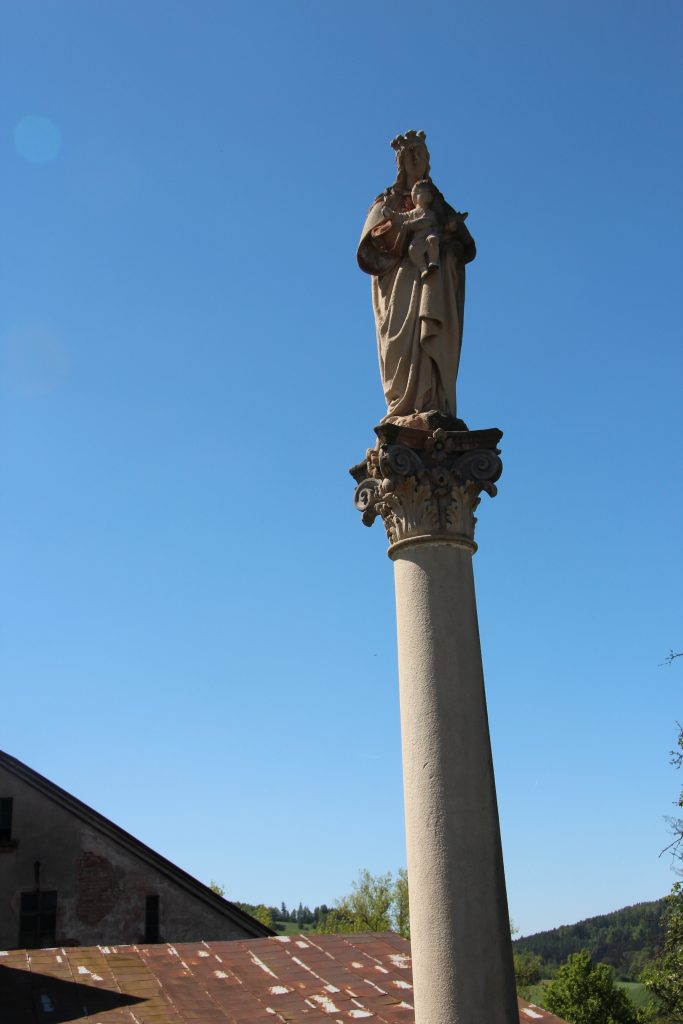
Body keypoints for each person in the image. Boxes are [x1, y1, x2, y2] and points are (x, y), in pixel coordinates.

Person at [357, 130, 476, 425]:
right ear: (400, 161)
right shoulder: (387, 202)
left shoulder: (436, 202)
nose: (416, 159)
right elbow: (371, 248)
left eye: (420, 154)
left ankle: (435, 398)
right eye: (409, 154)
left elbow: (465, 244)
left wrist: (447, 235)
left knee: (442, 265)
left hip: (434, 285)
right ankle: (405, 406)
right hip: (403, 287)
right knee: (404, 348)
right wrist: (403, 231)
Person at [382, 180, 442, 280]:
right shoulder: (413, 213)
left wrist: (411, 224)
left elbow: (429, 222)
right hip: (418, 240)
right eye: (425, 192)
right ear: (415, 196)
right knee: (413, 249)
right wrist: (390, 214)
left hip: (429, 235)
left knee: (433, 240)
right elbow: (400, 217)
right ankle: (423, 269)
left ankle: (433, 261)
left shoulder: (432, 213)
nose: (429, 194)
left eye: (430, 192)